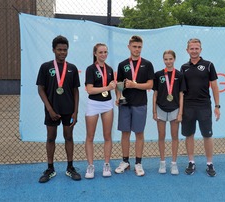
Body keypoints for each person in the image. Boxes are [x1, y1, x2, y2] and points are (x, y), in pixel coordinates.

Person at [36, 35, 81, 183]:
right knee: (50, 137)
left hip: (68, 110)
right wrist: (49, 109)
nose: (62, 52)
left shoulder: (72, 68)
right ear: (53, 50)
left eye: (65, 50)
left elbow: (76, 91)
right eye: (59, 50)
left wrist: (76, 111)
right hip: (52, 110)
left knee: (68, 137)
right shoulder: (45, 67)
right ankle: (50, 169)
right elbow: (41, 89)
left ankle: (70, 167)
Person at [115, 35, 154, 176]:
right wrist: (118, 97)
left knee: (139, 133)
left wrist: (135, 85)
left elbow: (150, 84)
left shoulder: (147, 64)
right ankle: (125, 161)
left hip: (140, 104)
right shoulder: (122, 64)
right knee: (125, 133)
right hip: (125, 104)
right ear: (129, 47)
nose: (137, 49)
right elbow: (119, 84)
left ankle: (138, 163)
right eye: (134, 46)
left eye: (139, 47)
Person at [180, 38, 220, 177]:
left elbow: (214, 86)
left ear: (200, 50)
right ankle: (191, 162)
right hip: (188, 106)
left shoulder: (209, 65)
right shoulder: (184, 67)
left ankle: (209, 163)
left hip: (204, 106)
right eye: (192, 48)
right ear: (187, 50)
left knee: (207, 135)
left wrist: (217, 106)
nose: (194, 51)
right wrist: (180, 110)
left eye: (197, 48)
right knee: (189, 134)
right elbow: (181, 91)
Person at [84, 43, 116, 179]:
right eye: (101, 52)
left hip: (107, 104)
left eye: (105, 52)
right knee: (90, 136)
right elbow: (90, 90)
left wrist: (115, 88)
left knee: (107, 136)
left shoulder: (109, 69)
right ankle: (90, 166)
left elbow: (113, 86)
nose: (103, 54)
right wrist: (107, 88)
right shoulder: (90, 69)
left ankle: (106, 164)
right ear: (95, 54)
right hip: (93, 104)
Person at [153, 50, 185, 175]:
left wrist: (180, 113)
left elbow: (181, 95)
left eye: (170, 59)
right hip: (161, 108)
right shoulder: (158, 75)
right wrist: (154, 111)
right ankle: (162, 162)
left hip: (175, 109)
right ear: (163, 60)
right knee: (161, 136)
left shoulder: (179, 75)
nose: (168, 61)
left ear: (174, 59)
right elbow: (155, 95)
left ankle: (174, 163)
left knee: (174, 137)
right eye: (166, 59)